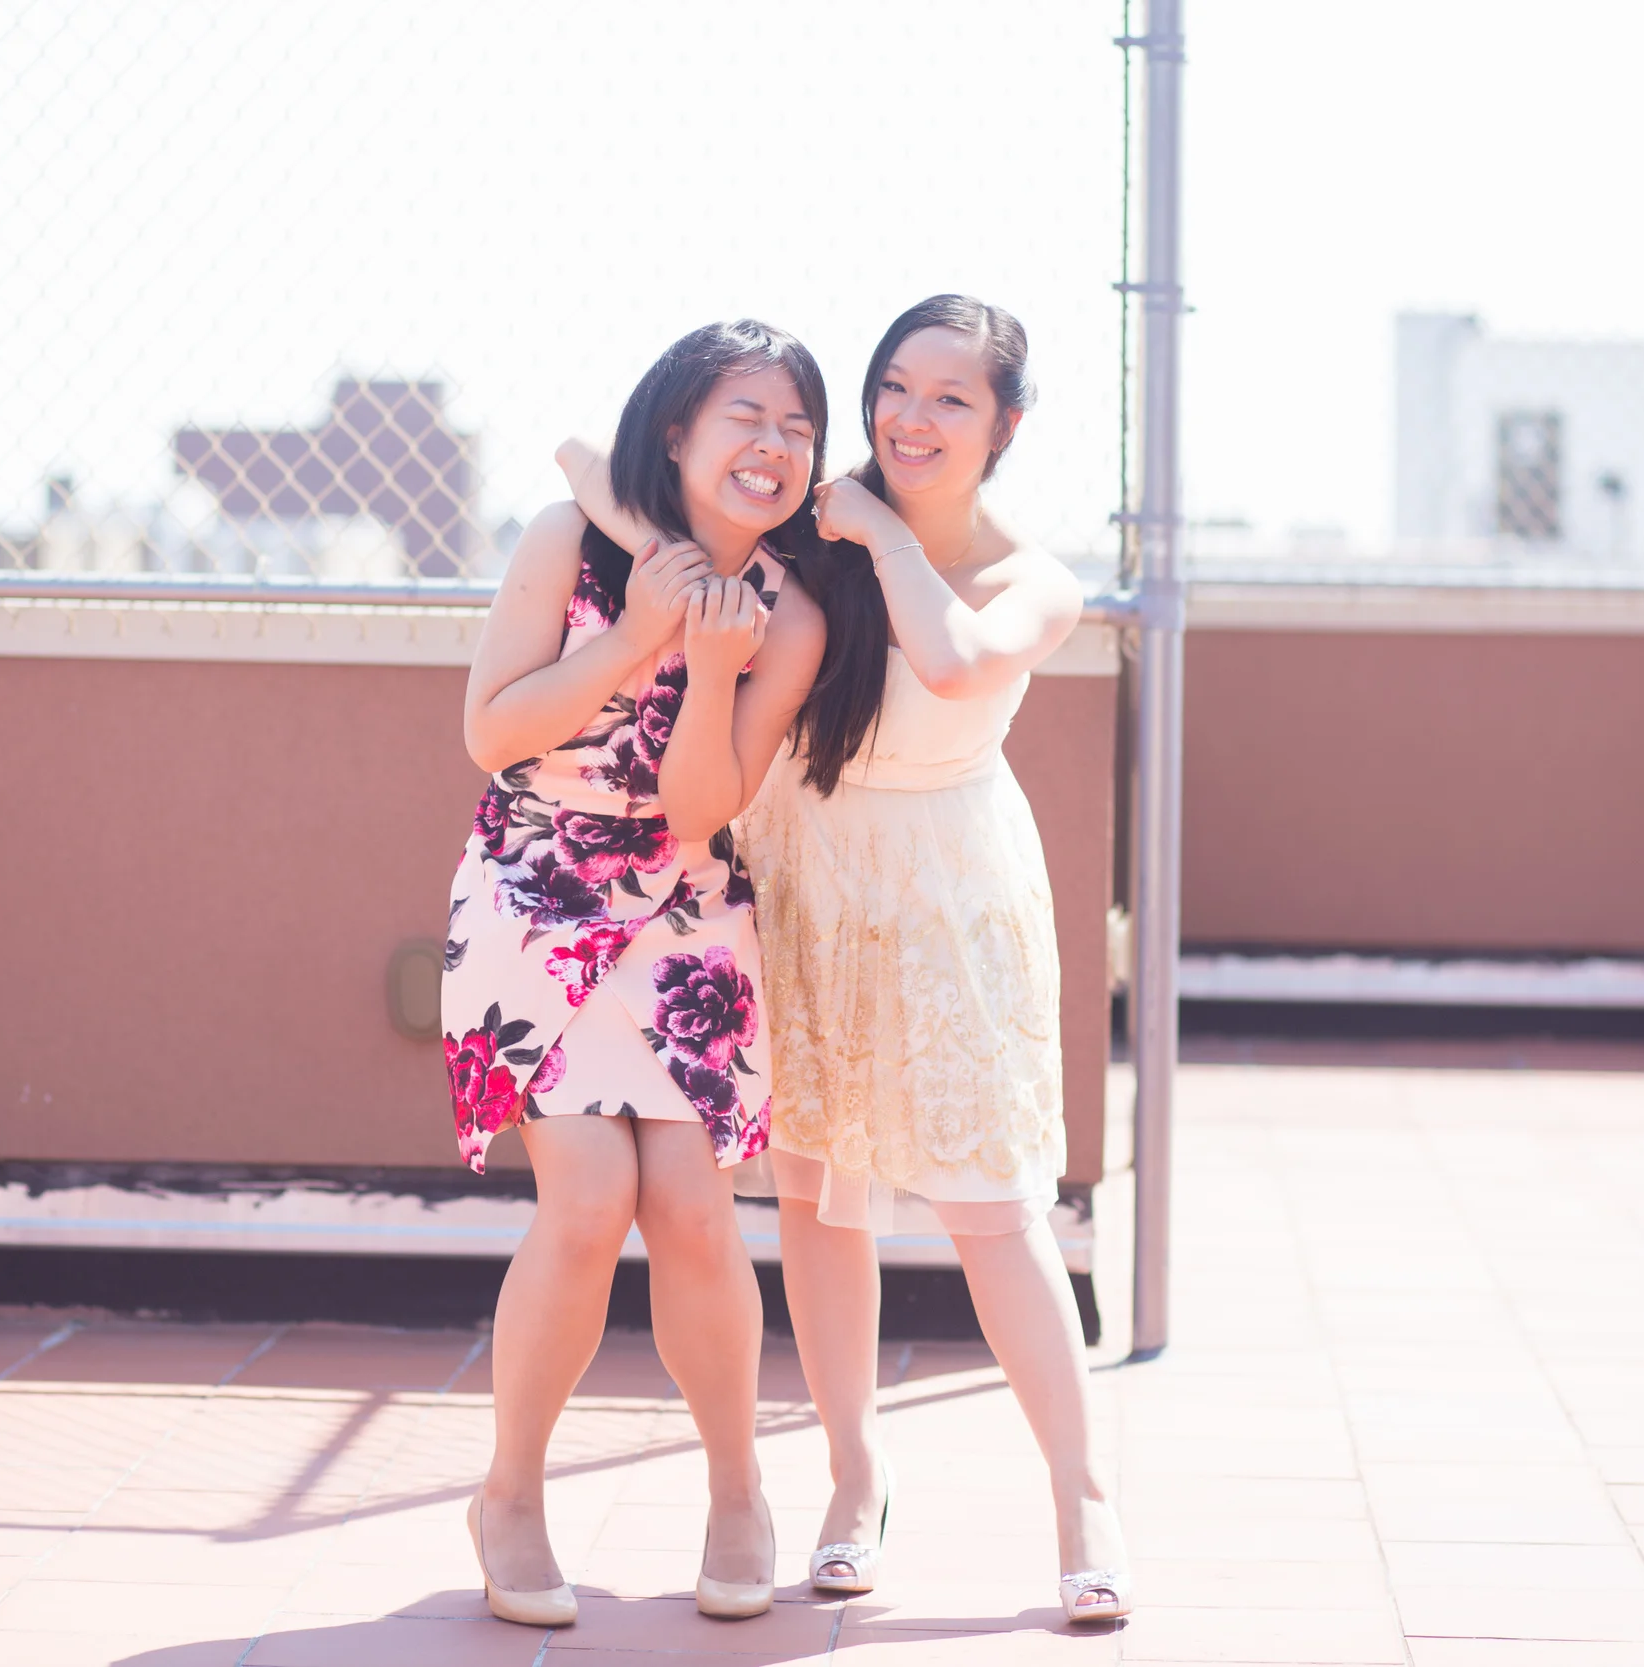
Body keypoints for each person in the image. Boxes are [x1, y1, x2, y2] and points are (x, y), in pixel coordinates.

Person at [561, 294, 1132, 1625]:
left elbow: (951, 660)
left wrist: (877, 528)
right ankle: (853, 1479)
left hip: (948, 891)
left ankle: (1083, 1497)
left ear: (1006, 424)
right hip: (806, 870)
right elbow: (591, 469)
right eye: (894, 388)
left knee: (995, 1206)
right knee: (820, 1198)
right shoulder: (810, 522)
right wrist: (674, 551)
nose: (911, 418)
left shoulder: (1028, 576)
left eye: (951, 398)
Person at [447, 319, 830, 1625]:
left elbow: (702, 809)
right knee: (589, 1195)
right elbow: (491, 732)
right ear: (676, 432)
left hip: (684, 906)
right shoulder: (571, 540)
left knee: (693, 1207)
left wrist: (710, 669)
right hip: (536, 886)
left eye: (796, 427)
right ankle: (509, 1494)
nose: (773, 447)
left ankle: (738, 1490)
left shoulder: (790, 616)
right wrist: (633, 637)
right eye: (746, 417)